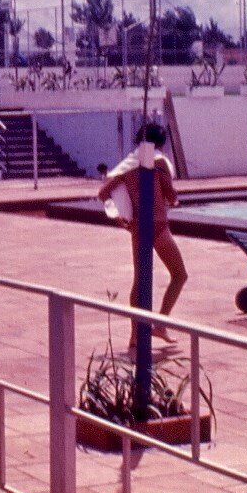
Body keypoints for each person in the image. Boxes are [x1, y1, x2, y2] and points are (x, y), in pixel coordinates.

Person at [97, 122, 186, 347]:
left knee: (140, 280)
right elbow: (171, 195)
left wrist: (118, 217)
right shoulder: (157, 164)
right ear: (159, 143)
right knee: (179, 274)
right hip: (157, 224)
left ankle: (135, 335)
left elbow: (103, 193)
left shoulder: (128, 167)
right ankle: (160, 324)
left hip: (137, 225)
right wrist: (173, 198)